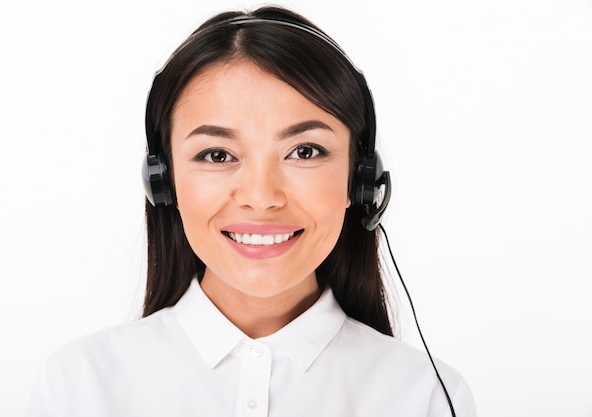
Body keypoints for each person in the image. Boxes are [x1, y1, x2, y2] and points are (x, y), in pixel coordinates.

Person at [25, 6, 476, 416]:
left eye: (305, 151)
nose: (261, 198)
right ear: (164, 182)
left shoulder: (426, 397)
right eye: (218, 155)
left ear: (359, 181)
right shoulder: (78, 386)